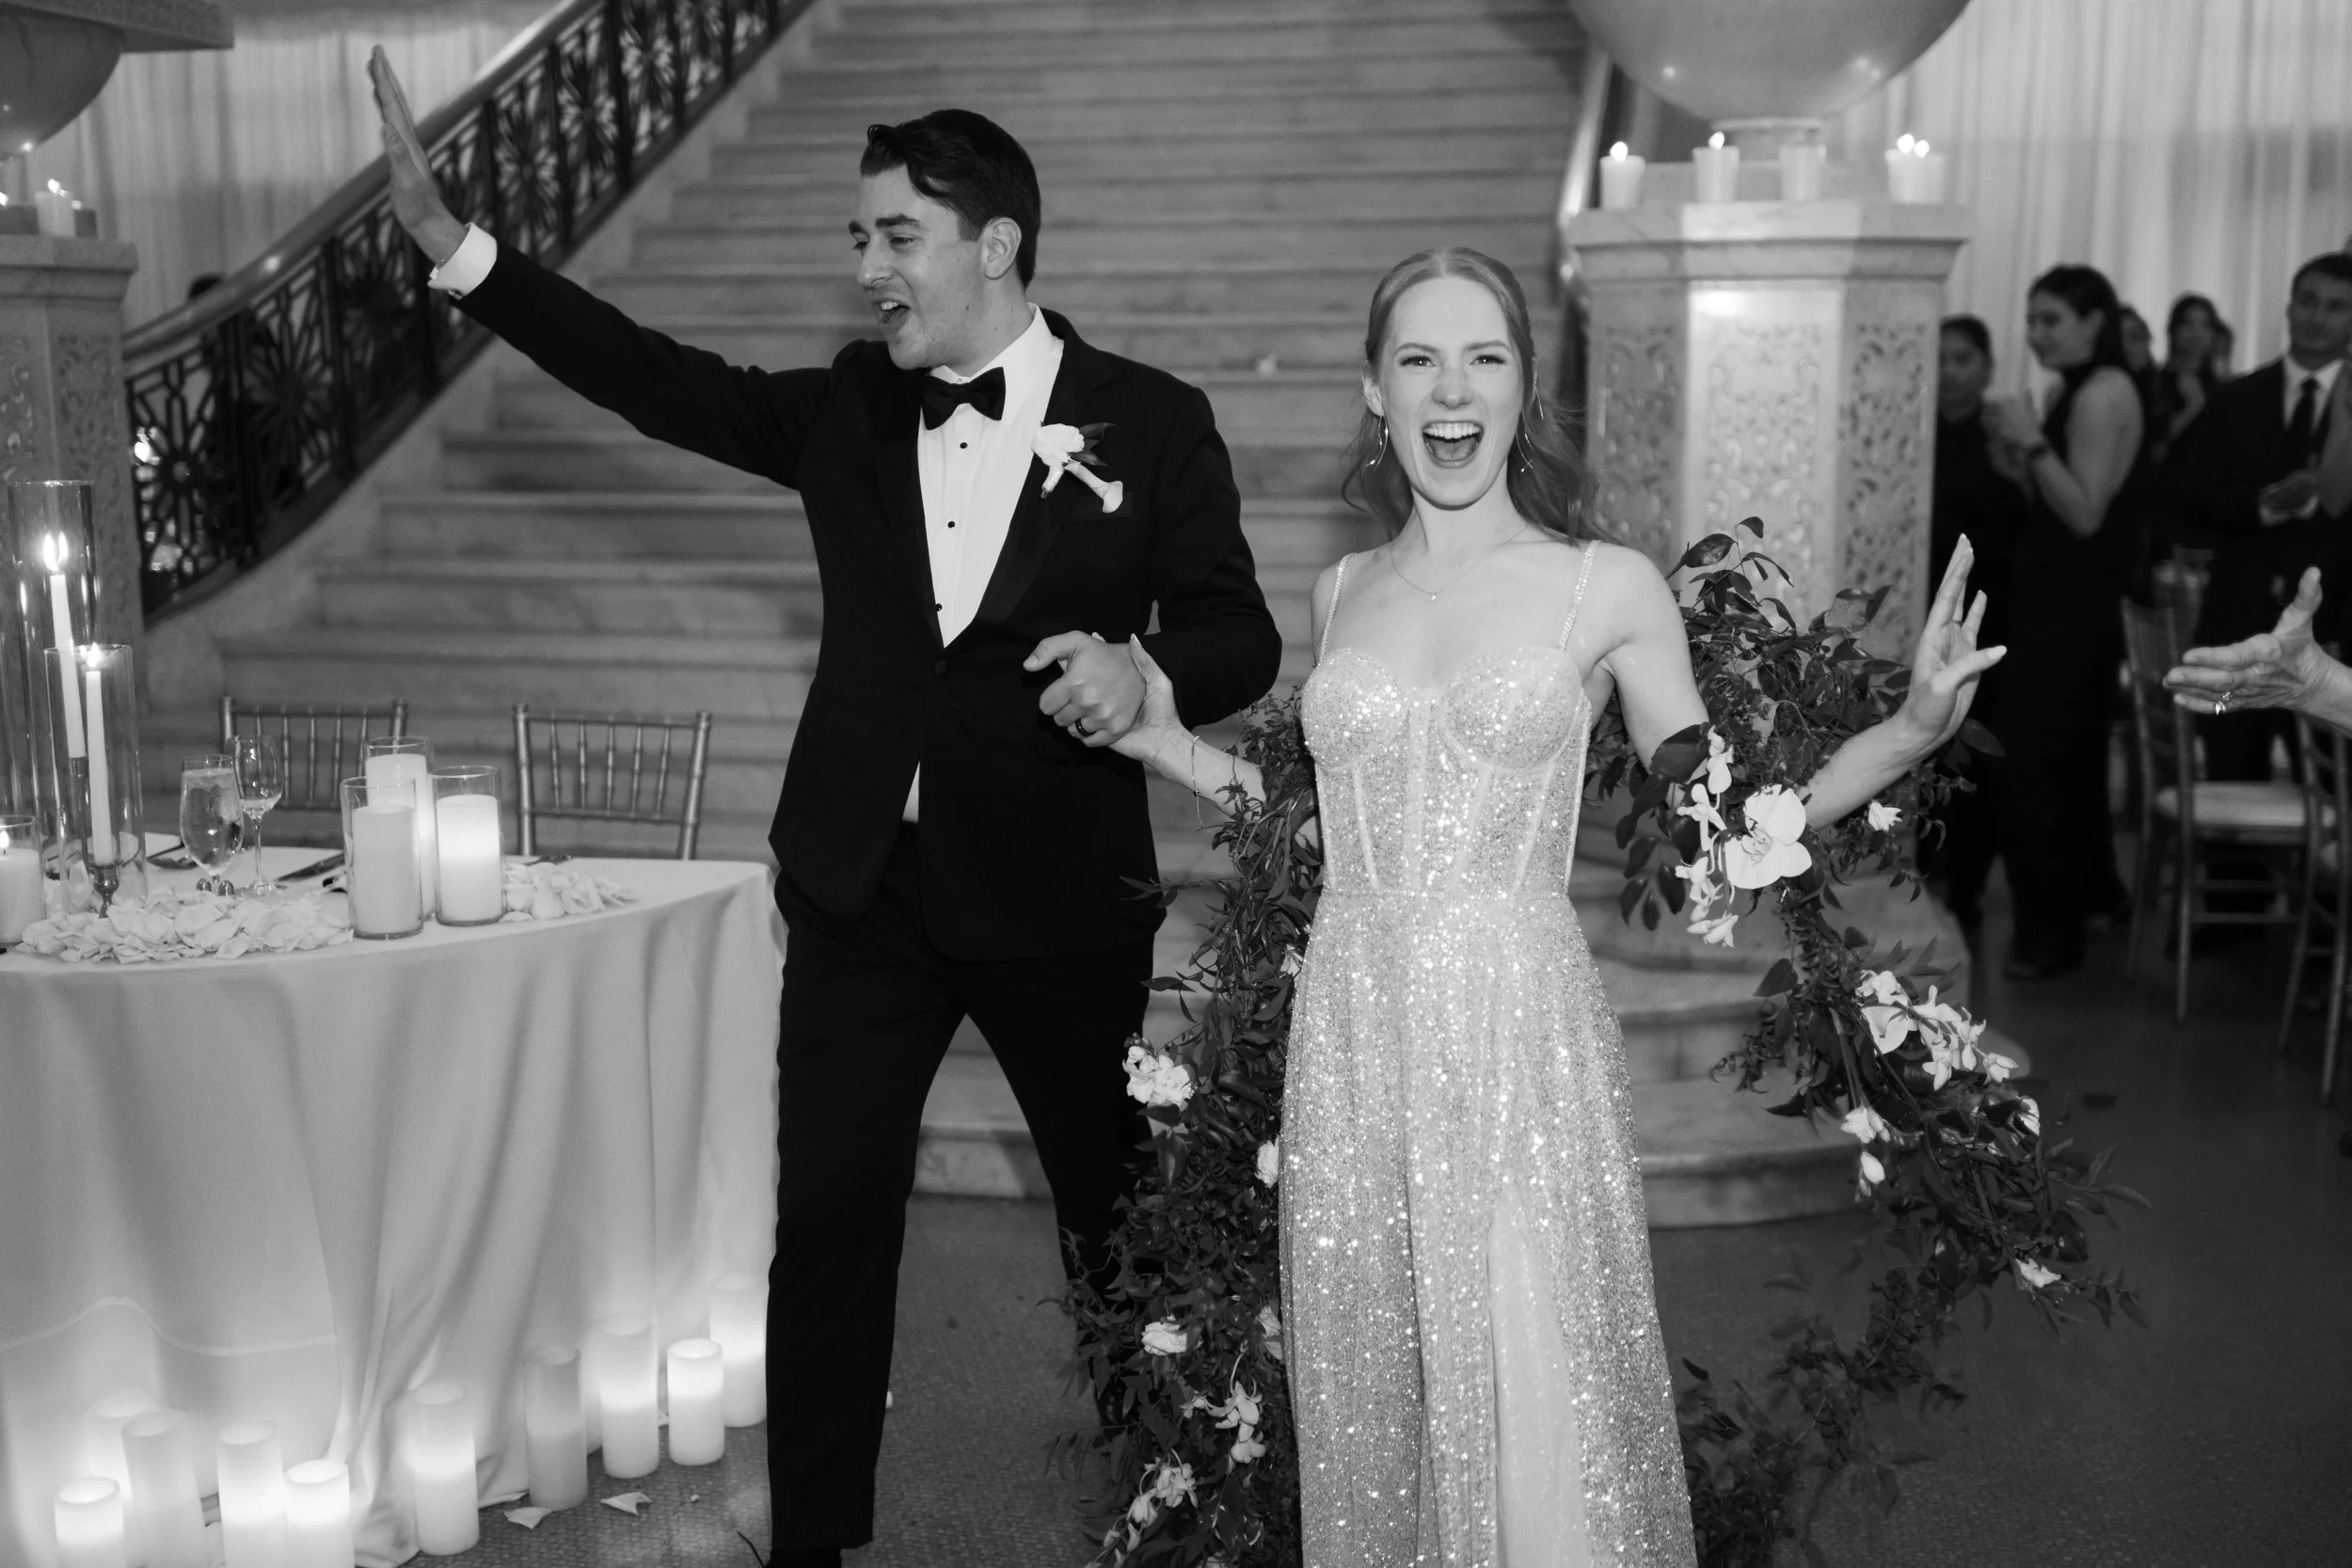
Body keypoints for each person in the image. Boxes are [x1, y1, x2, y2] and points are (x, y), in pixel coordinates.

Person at [366, 55, 1282, 1568]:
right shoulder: (854, 405)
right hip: (864, 888)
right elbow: (654, 378)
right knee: (833, 1220)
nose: (868, 269)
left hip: (1059, 894)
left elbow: (1241, 629)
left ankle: (1171, 1506)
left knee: (1113, 1218)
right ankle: (813, 1539)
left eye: (897, 236)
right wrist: (460, 252)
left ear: (996, 243)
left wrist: (1150, 666)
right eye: (859, 238)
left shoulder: (1154, 419)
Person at [1110, 248, 2000, 1566]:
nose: (1451, 389)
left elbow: (1728, 816)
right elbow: (1319, 829)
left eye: (1485, 357)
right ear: (1374, 388)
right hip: (1353, 1027)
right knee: (1376, 1374)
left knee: (1528, 1375)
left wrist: (1906, 732)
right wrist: (1164, 740)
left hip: (1514, 1028)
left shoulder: (1605, 586)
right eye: (1419, 358)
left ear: (1527, 389)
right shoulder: (1342, 593)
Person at [1981, 264, 2145, 979]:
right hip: (2056, 605)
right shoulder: (2073, 389)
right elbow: (2053, 506)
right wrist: (2018, 463)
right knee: (2062, 768)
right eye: (2032, 319)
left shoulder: (2104, 392)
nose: (2037, 333)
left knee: (2039, 772)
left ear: (2093, 322)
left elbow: (2085, 515)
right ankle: (2085, 903)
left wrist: (2034, 444)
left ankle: (2050, 935)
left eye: (2051, 319)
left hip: (2072, 616)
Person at [2169, 252, 2352, 782]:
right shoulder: (2236, 399)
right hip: (2239, 622)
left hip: (2338, 630)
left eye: (2336, 307)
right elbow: (2187, 501)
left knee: (2337, 792)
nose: (2318, 317)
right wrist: (2264, 506)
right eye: (2309, 301)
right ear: (2289, 307)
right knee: (2230, 772)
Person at [1926, 314, 2026, 927]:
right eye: (1939, 358)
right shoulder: (1911, 432)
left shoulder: (2003, 436)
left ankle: (1967, 881)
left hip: (1991, 614)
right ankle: (1919, 868)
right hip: (1921, 611)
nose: (1950, 372)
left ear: (1987, 366)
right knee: (1921, 739)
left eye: (1963, 358)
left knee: (1977, 745)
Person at [2151, 293, 2224, 467]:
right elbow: (2153, 449)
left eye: (2204, 325)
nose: (2196, 333)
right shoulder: (2155, 383)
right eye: (2189, 324)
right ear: (2174, 330)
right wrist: (2193, 407)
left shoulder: (2220, 388)